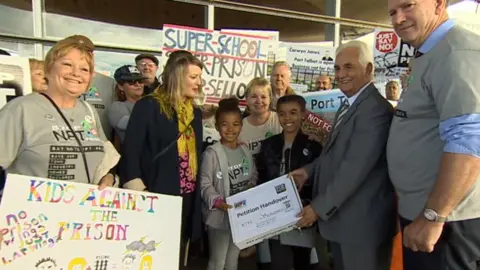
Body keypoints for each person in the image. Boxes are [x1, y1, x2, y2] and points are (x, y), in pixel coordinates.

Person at [387, 0, 480, 269]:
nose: (399, 18)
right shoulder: (430, 52)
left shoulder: (455, 52)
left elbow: (469, 140)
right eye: (393, 12)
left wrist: (433, 216)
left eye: (408, 6)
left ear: (439, 3)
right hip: (430, 218)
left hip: (447, 225)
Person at [291, 40, 396, 270]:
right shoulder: (351, 103)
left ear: (368, 69)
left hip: (361, 228)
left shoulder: (374, 111)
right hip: (345, 224)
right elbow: (337, 154)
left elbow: (354, 169)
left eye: (349, 67)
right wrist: (308, 172)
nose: (341, 74)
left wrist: (318, 208)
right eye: (337, 68)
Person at [0, 35, 118, 190]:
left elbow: (105, 159)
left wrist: (108, 176)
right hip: (33, 211)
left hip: (81, 209)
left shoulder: (89, 111)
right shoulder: (19, 110)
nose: (76, 73)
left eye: (84, 69)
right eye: (67, 64)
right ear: (48, 69)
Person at [120, 53, 204, 269]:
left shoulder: (195, 112)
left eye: (199, 77)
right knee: (151, 254)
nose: (199, 83)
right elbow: (131, 152)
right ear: (177, 76)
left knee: (177, 255)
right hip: (156, 195)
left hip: (187, 196)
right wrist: (141, 193)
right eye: (194, 77)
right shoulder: (148, 106)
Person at [256, 95, 322, 270]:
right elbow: (261, 178)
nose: (288, 118)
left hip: (301, 214)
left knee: (302, 261)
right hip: (274, 216)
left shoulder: (313, 146)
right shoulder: (268, 145)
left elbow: (318, 181)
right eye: (283, 114)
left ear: (302, 114)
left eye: (293, 113)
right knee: (277, 261)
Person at [200, 97, 257, 270]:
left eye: (235, 124)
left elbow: (253, 174)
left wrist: (251, 187)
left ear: (241, 125)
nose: (230, 129)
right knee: (218, 261)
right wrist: (218, 201)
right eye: (225, 124)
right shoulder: (211, 154)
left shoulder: (245, 150)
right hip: (220, 217)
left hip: (240, 216)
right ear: (217, 126)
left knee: (232, 260)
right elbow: (204, 183)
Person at [108, 65, 145, 144]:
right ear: (121, 86)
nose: (138, 84)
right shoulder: (117, 107)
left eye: (140, 81)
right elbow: (135, 126)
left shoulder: (153, 102)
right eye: (131, 82)